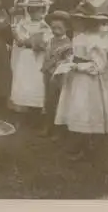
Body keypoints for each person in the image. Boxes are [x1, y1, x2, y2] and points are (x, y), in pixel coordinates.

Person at [54, 6, 108, 161]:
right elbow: (76, 55)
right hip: (76, 80)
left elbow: (99, 65)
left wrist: (79, 66)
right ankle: (78, 143)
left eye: (79, 20)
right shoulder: (79, 37)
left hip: (88, 82)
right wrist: (68, 61)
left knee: (85, 110)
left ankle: (87, 145)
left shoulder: (95, 40)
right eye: (76, 19)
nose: (76, 22)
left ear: (88, 21)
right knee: (75, 109)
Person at [10, 0, 53, 127]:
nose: (34, 13)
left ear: (44, 10)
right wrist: (32, 41)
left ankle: (37, 115)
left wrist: (35, 42)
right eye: (31, 9)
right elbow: (20, 41)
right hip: (26, 57)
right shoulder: (22, 24)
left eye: (38, 9)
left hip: (39, 59)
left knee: (37, 84)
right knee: (24, 83)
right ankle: (25, 115)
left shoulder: (45, 26)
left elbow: (46, 42)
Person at [39, 11, 73, 139]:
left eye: (59, 28)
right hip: (48, 74)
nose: (56, 31)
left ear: (67, 28)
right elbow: (46, 55)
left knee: (59, 102)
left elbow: (67, 60)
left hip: (59, 75)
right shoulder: (50, 41)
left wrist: (58, 64)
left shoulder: (68, 43)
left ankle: (59, 130)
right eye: (53, 28)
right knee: (48, 101)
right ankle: (47, 126)